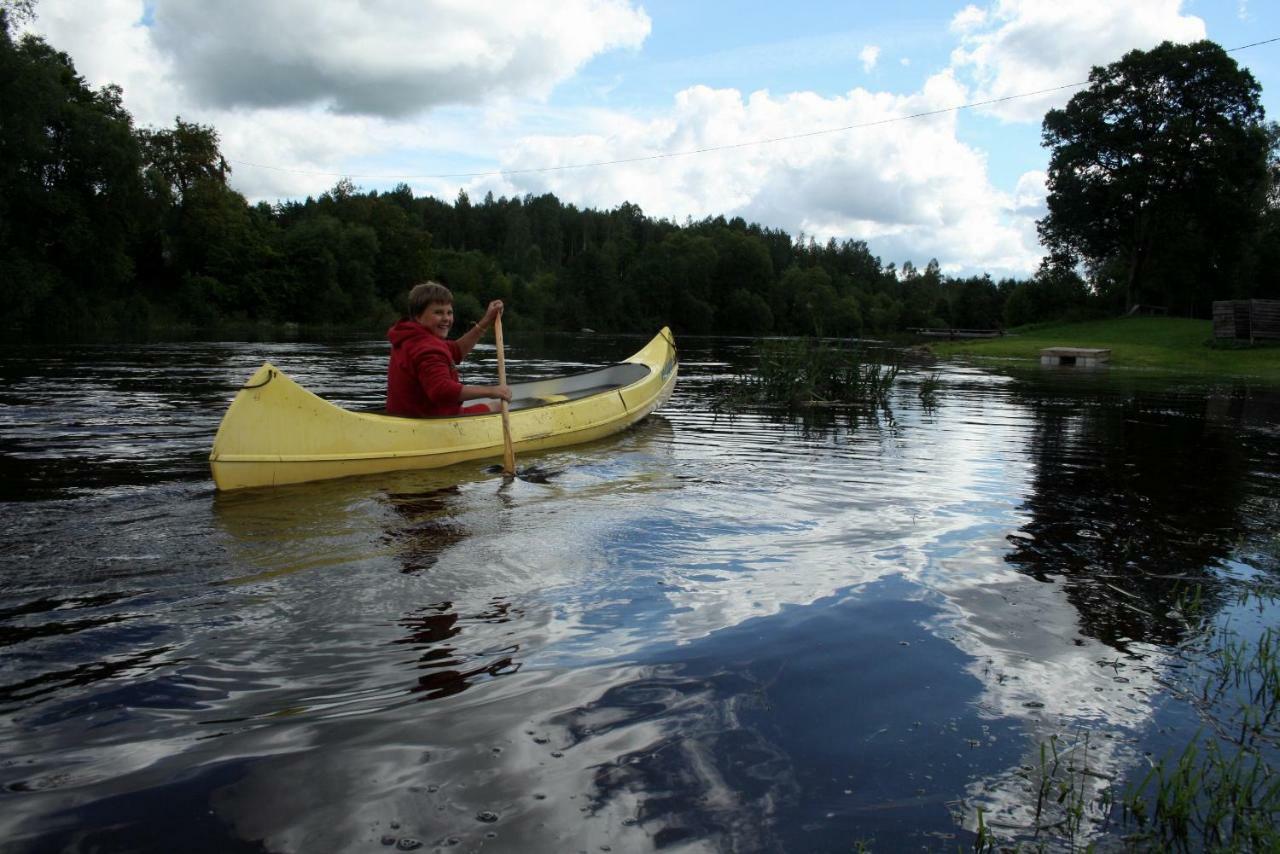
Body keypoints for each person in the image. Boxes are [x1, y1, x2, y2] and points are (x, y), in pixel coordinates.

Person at [386, 281, 512, 417]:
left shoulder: (411, 336)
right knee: (497, 406)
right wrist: (492, 391)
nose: (446, 318)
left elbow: (455, 351)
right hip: (430, 422)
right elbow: (441, 390)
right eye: (438, 312)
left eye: (449, 312)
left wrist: (486, 321)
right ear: (418, 316)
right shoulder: (426, 348)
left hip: (407, 417)